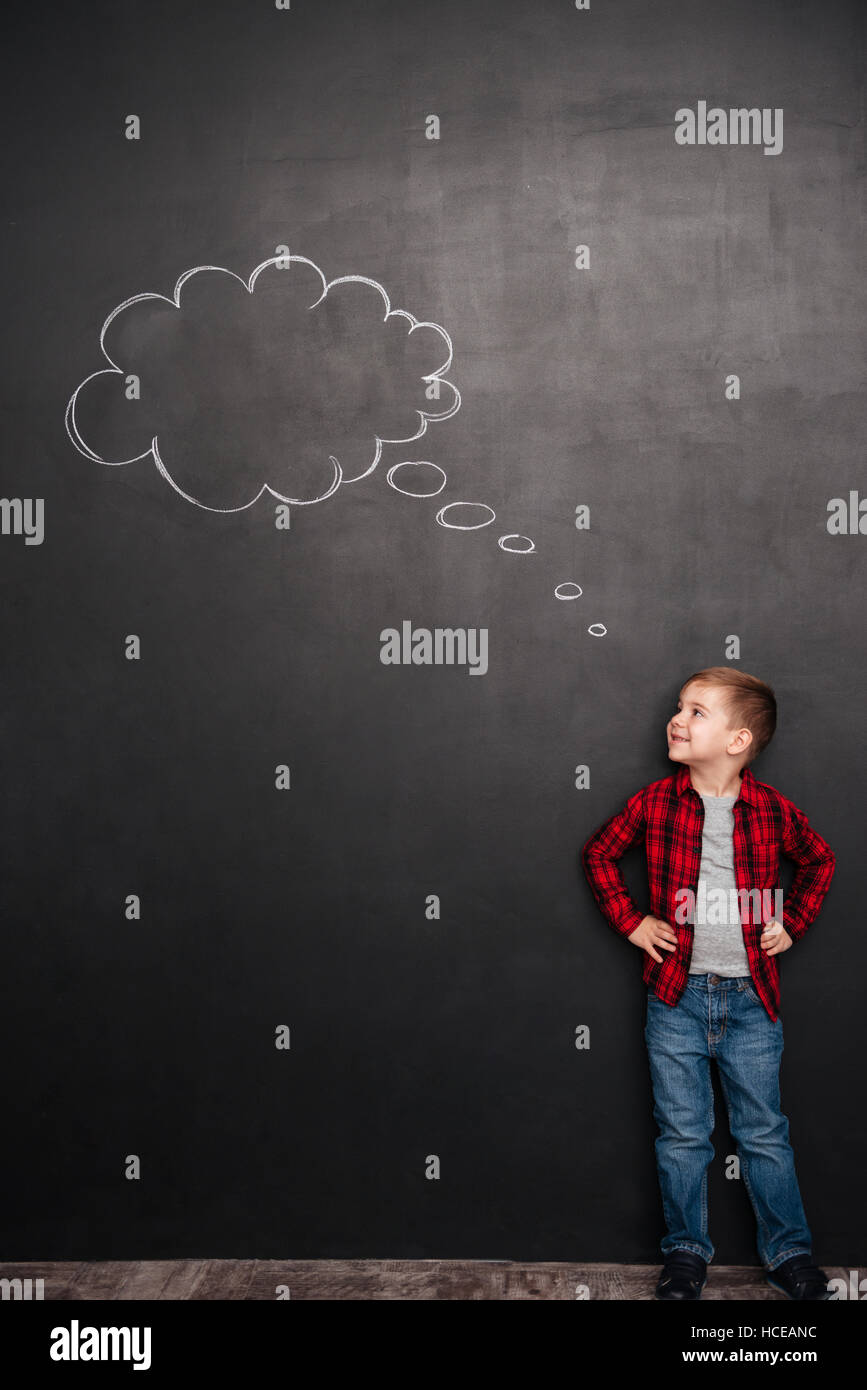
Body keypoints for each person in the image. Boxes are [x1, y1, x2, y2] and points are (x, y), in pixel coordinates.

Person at [581, 667, 836, 1300]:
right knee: (684, 1134)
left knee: (763, 1133)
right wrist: (633, 921)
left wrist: (792, 922)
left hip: (753, 1000)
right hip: (676, 999)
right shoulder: (655, 802)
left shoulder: (772, 809)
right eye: (679, 707)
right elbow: (599, 853)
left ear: (737, 740)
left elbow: (820, 860)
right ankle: (687, 1254)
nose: (677, 718)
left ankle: (789, 1252)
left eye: (697, 711)